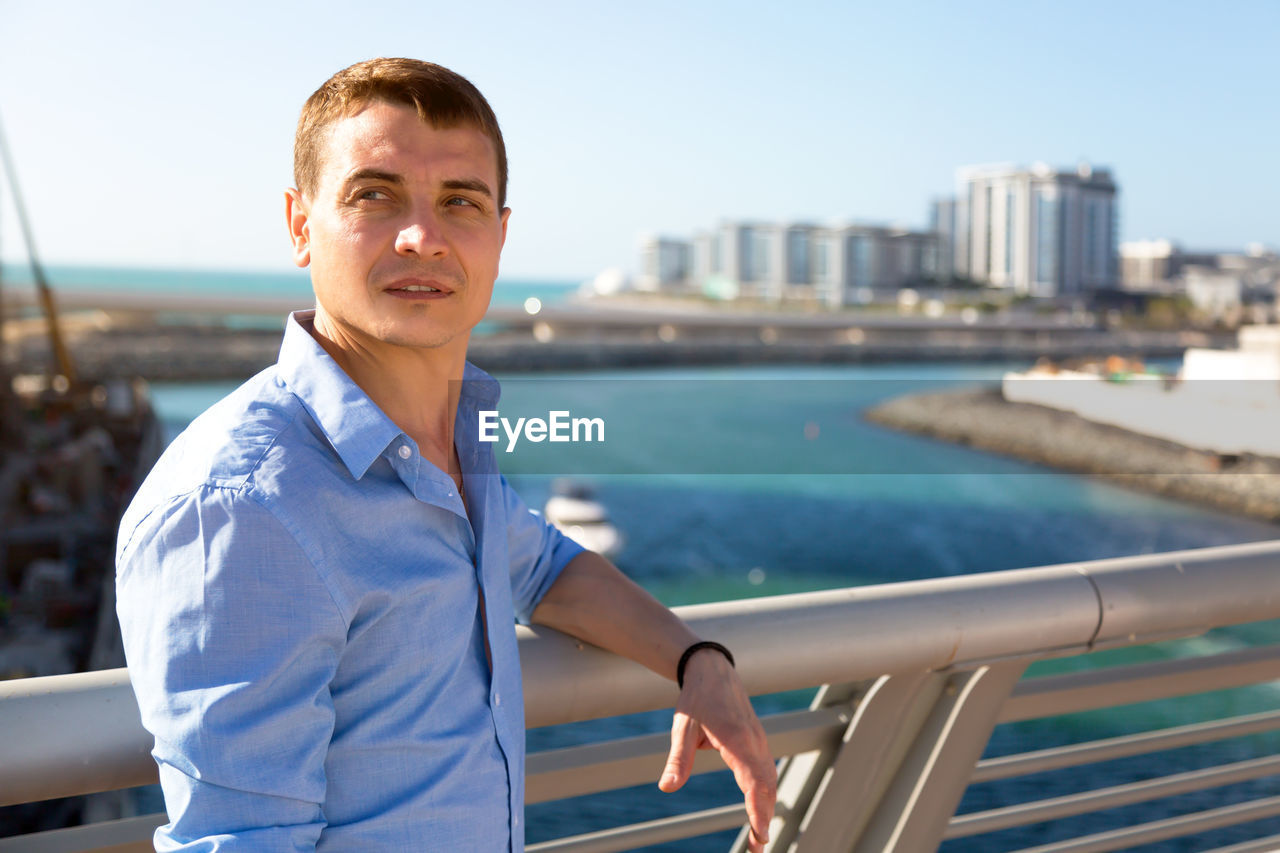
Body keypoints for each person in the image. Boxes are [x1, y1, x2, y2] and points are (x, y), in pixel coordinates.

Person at [115, 57, 776, 851]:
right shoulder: (238, 505)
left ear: (500, 234)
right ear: (299, 224)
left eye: (459, 202)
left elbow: (541, 563)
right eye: (375, 194)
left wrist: (695, 657)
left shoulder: (454, 440)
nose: (423, 237)